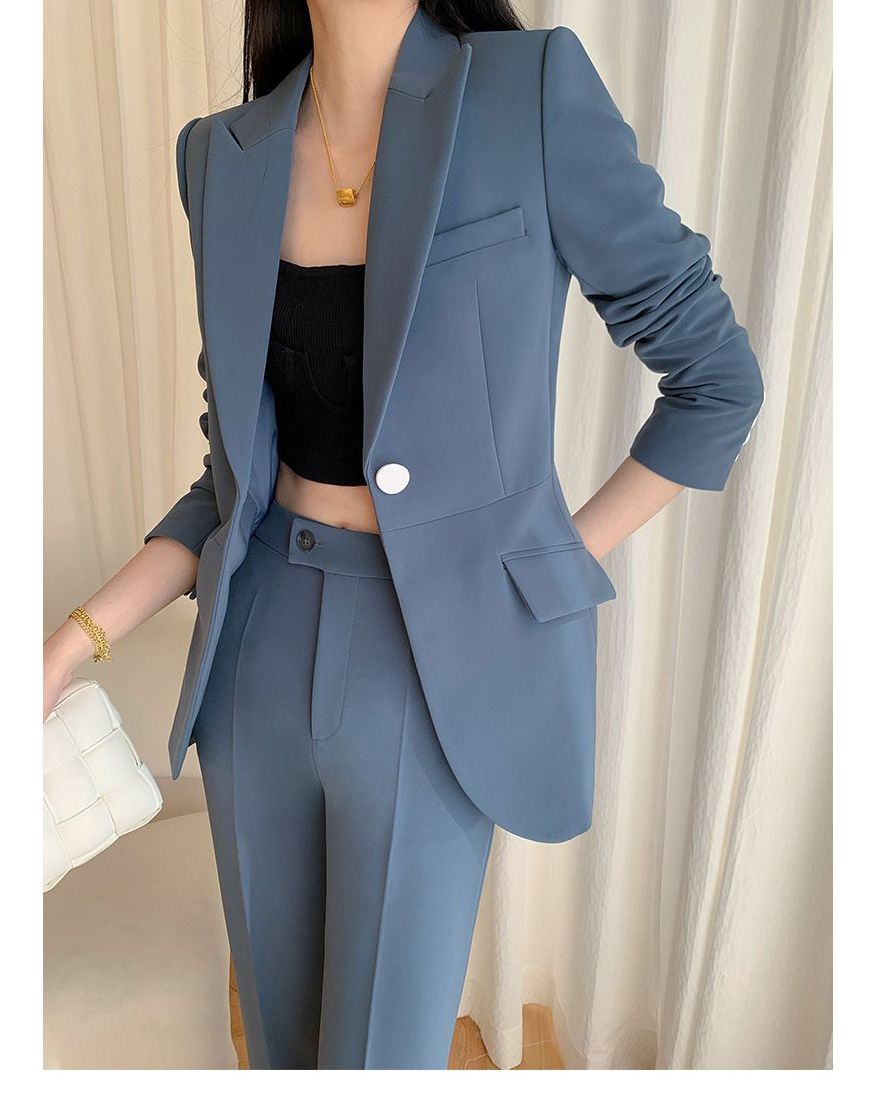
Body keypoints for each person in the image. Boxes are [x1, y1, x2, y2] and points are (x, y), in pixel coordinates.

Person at [43, 0, 764, 1070]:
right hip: (257, 654)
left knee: (384, 1057)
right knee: (281, 1048)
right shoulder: (218, 157)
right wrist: (66, 646)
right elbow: (231, 476)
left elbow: (716, 381)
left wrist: (545, 566)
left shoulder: (528, 96)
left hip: (434, 665)